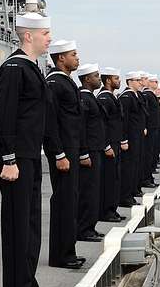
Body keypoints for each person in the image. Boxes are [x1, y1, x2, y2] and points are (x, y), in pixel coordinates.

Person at [0, 12, 57, 287]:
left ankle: (28, 284)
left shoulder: (31, 69)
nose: (50, 39)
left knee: (31, 224)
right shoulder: (13, 69)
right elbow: (4, 115)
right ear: (28, 35)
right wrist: (8, 158)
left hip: (30, 156)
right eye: (45, 33)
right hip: (16, 159)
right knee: (18, 226)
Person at [44, 39, 85, 269]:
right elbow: (51, 122)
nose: (77, 58)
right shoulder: (54, 83)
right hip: (63, 151)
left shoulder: (66, 82)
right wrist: (59, 154)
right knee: (63, 201)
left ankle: (68, 250)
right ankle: (60, 255)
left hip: (71, 149)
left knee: (71, 201)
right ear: (61, 58)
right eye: (73, 54)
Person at [76, 63, 107, 242]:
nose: (99, 79)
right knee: (87, 191)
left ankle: (90, 227)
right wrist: (84, 152)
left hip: (96, 149)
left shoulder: (90, 97)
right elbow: (82, 128)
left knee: (94, 189)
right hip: (89, 151)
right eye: (96, 76)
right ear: (87, 79)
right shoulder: (84, 98)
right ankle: (84, 229)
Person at [96, 67, 125, 222]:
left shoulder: (111, 97)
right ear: (108, 80)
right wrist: (106, 145)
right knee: (108, 179)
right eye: (116, 78)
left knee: (114, 178)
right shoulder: (104, 98)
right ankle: (106, 211)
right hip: (108, 145)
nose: (118, 81)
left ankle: (112, 210)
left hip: (115, 143)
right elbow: (102, 125)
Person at [119, 71, 147, 204]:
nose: (141, 83)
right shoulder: (126, 97)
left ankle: (132, 191)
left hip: (137, 136)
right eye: (138, 80)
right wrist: (123, 139)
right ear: (130, 81)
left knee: (135, 164)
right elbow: (124, 120)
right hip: (129, 137)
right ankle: (125, 196)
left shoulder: (136, 95)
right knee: (128, 167)